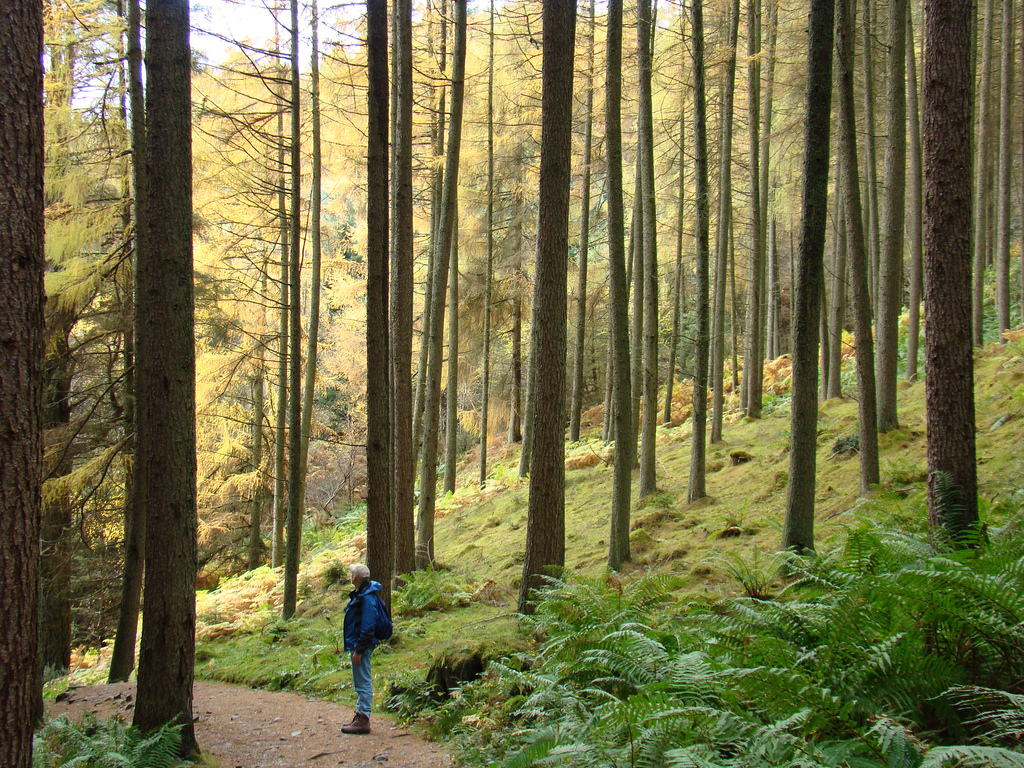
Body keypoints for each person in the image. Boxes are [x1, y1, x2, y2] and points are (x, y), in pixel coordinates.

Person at [341, 562, 384, 734]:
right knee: (361, 680)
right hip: (359, 643)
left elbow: (368, 626)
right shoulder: (364, 594)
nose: (350, 577)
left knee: (363, 682)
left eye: (352, 574)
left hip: (361, 645)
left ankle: (363, 719)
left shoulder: (366, 598)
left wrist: (359, 649)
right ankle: (360, 716)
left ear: (355, 578)